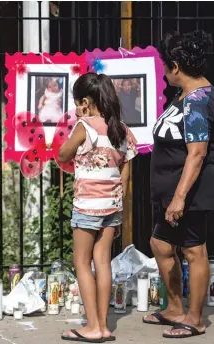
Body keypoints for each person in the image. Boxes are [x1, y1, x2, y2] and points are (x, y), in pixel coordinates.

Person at [143, 30, 214, 339]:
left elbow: (197, 154)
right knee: (160, 244)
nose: (162, 69)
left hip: (190, 191)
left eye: (163, 64)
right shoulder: (184, 94)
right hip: (172, 192)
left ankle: (195, 318)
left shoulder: (198, 100)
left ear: (174, 66)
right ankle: (174, 308)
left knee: (194, 251)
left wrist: (180, 197)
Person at [59, 72, 138, 342]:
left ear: (85, 101)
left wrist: (77, 125)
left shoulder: (85, 126)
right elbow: (126, 171)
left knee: (81, 262)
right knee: (103, 262)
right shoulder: (122, 129)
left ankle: (92, 327)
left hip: (88, 205)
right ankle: (103, 326)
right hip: (112, 205)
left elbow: (63, 154)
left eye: (76, 102)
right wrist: (118, 199)